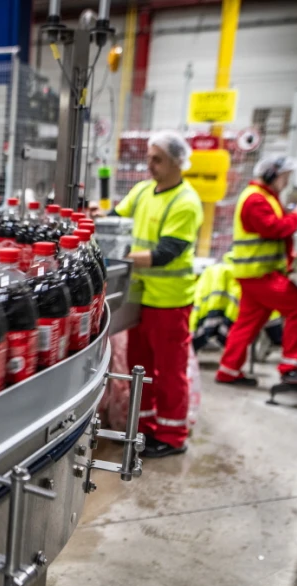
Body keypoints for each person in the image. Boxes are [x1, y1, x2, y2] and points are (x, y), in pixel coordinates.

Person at [111, 131, 203, 458]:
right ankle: (146, 427)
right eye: (149, 157)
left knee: (169, 372)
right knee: (141, 367)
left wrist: (117, 255)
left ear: (178, 162)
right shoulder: (142, 191)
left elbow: (165, 253)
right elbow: (115, 220)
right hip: (140, 297)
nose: (149, 165)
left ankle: (172, 435)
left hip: (170, 300)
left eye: (157, 159)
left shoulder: (186, 203)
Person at [215, 155, 297, 387]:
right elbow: (273, 229)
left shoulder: (265, 196)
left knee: (247, 323)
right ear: (271, 174)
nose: (286, 182)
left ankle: (228, 371)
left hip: (257, 274)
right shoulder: (256, 199)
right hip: (259, 275)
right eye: (285, 177)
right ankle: (291, 367)